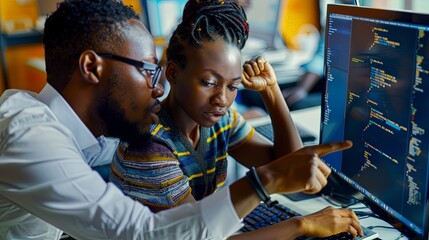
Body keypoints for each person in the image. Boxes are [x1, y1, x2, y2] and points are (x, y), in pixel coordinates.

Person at [0, 0, 354, 239]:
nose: (157, 89)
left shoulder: (87, 133)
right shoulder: (28, 132)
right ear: (92, 67)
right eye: (147, 70)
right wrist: (270, 185)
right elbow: (144, 232)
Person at [110, 0, 363, 239]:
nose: (221, 98)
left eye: (233, 86)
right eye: (209, 83)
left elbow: (292, 172)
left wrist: (271, 92)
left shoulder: (221, 122)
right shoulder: (150, 146)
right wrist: (302, 224)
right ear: (173, 73)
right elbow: (196, 235)